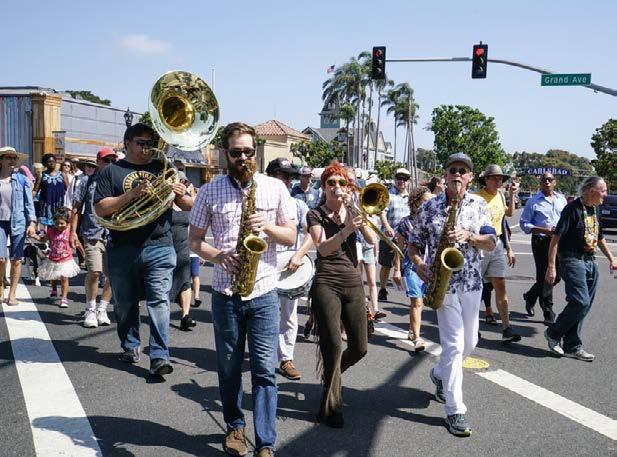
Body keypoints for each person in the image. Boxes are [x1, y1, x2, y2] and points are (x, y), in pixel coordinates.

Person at [189, 122, 296, 457]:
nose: (243, 158)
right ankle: (235, 427)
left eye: (249, 151)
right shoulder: (209, 191)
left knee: (264, 370)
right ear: (226, 153)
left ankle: (266, 442)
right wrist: (219, 256)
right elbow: (194, 241)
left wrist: (268, 227)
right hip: (225, 294)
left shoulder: (275, 188)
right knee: (229, 369)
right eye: (237, 152)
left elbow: (291, 236)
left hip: (263, 292)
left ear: (256, 152)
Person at [94, 123, 192, 377]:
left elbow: (188, 204)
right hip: (122, 246)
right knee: (125, 303)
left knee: (159, 301)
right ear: (126, 143)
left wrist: (181, 194)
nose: (146, 148)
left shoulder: (163, 168)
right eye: (141, 143)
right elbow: (101, 208)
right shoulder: (112, 171)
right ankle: (130, 346)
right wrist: (133, 195)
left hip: (160, 245)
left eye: (150, 143)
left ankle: (159, 356)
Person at [409, 152, 496, 437]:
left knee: (470, 342)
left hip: (471, 283)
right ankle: (455, 410)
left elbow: (491, 242)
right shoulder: (430, 206)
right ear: (445, 176)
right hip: (443, 285)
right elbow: (413, 242)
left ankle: (438, 374)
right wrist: (419, 264)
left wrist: (468, 236)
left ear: (470, 177)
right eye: (453, 170)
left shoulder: (479, 204)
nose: (457, 174)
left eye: (463, 170)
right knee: (455, 346)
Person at [307, 161, 374, 429]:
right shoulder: (315, 214)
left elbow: (372, 240)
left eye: (342, 183)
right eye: (331, 183)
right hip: (326, 282)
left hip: (352, 281)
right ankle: (331, 406)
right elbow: (323, 249)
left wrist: (356, 213)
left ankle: (331, 377)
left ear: (348, 187)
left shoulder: (353, 211)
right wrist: (346, 230)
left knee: (360, 347)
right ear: (324, 187)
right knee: (333, 346)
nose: (337, 187)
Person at [544, 177, 617, 361]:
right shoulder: (572, 209)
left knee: (585, 305)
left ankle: (572, 346)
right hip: (571, 259)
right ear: (591, 190)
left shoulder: (595, 209)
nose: (606, 194)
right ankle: (553, 332)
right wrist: (551, 267)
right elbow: (555, 239)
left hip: (590, 260)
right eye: (603, 190)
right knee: (580, 301)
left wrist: (612, 258)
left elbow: (599, 237)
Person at [266, 157, 312, 381]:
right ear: (270, 176)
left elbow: (312, 233)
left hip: (289, 267)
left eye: (290, 177)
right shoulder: (259, 201)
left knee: (288, 315)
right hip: (263, 265)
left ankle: (286, 358)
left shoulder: (299, 205)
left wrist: (299, 254)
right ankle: (264, 354)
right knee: (263, 314)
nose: (288, 180)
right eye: (283, 176)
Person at [70, 149, 116, 328]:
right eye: (106, 160)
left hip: (113, 233)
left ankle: (102, 308)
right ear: (98, 161)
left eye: (113, 160)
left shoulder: (116, 180)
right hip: (91, 232)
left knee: (113, 274)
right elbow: (76, 208)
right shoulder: (86, 181)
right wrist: (72, 232)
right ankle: (90, 308)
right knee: (95, 271)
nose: (110, 163)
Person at [475, 165, 521, 342]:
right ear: (485, 180)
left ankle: (506, 328)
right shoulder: (477, 198)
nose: (498, 181)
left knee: (500, 285)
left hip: (498, 244)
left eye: (500, 178)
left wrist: (512, 195)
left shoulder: (501, 195)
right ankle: (473, 327)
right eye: (494, 178)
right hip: (480, 245)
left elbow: (507, 216)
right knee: (475, 287)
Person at [520, 172, 568, 324]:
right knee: (544, 276)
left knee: (557, 276)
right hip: (541, 241)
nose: (547, 182)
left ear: (554, 182)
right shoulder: (533, 201)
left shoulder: (562, 200)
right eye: (544, 180)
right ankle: (548, 311)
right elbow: (524, 224)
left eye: (549, 179)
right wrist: (543, 230)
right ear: (540, 183)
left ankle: (530, 296)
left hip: (559, 241)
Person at [396, 186, 434, 351]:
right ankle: (417, 338)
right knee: (416, 301)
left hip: (429, 266)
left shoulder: (431, 221)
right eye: (425, 201)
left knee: (423, 302)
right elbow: (398, 249)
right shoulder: (405, 223)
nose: (428, 205)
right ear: (415, 202)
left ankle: (412, 330)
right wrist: (396, 269)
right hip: (410, 267)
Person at [0, 147, 37, 305]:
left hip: (18, 221)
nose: (12, 160)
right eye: (8, 157)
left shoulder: (22, 179)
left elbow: (29, 203)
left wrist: (32, 222)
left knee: (16, 259)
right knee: (1, 259)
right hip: (0, 222)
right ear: (1, 160)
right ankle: (1, 286)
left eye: (14, 158)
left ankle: (12, 294)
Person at [345, 166, 380, 320]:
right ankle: (361, 308)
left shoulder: (360, 197)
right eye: (347, 180)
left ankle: (375, 309)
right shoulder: (339, 197)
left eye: (352, 180)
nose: (350, 184)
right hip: (350, 243)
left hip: (364, 242)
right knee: (357, 280)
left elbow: (370, 218)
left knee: (371, 280)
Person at [35, 207, 81, 308]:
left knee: (64, 278)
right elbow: (43, 240)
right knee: (54, 276)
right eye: (56, 223)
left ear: (68, 223)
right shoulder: (51, 231)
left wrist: (84, 255)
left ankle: (64, 298)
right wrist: (35, 236)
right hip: (53, 258)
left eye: (62, 223)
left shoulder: (70, 232)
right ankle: (54, 288)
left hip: (66, 259)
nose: (59, 226)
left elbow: (77, 243)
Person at [377, 167, 410, 304]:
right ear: (394, 179)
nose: (401, 181)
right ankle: (383, 289)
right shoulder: (388, 195)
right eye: (399, 178)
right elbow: (382, 212)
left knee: (406, 266)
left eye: (405, 179)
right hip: (389, 237)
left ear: (408, 181)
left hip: (405, 238)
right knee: (386, 265)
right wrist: (387, 227)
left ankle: (410, 293)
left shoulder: (410, 197)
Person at [169, 171, 196, 331]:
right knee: (165, 283)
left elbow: (195, 227)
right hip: (165, 247)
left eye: (184, 182)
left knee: (186, 281)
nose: (183, 184)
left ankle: (185, 316)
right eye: (180, 181)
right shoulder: (163, 202)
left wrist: (197, 251)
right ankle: (161, 314)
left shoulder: (187, 202)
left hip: (183, 248)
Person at [33, 153, 68, 227]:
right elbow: (35, 190)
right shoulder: (41, 175)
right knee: (47, 229)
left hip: (60, 206)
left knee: (60, 227)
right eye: (49, 162)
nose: (52, 163)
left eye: (53, 161)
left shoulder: (62, 175)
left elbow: (68, 190)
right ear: (45, 163)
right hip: (46, 206)